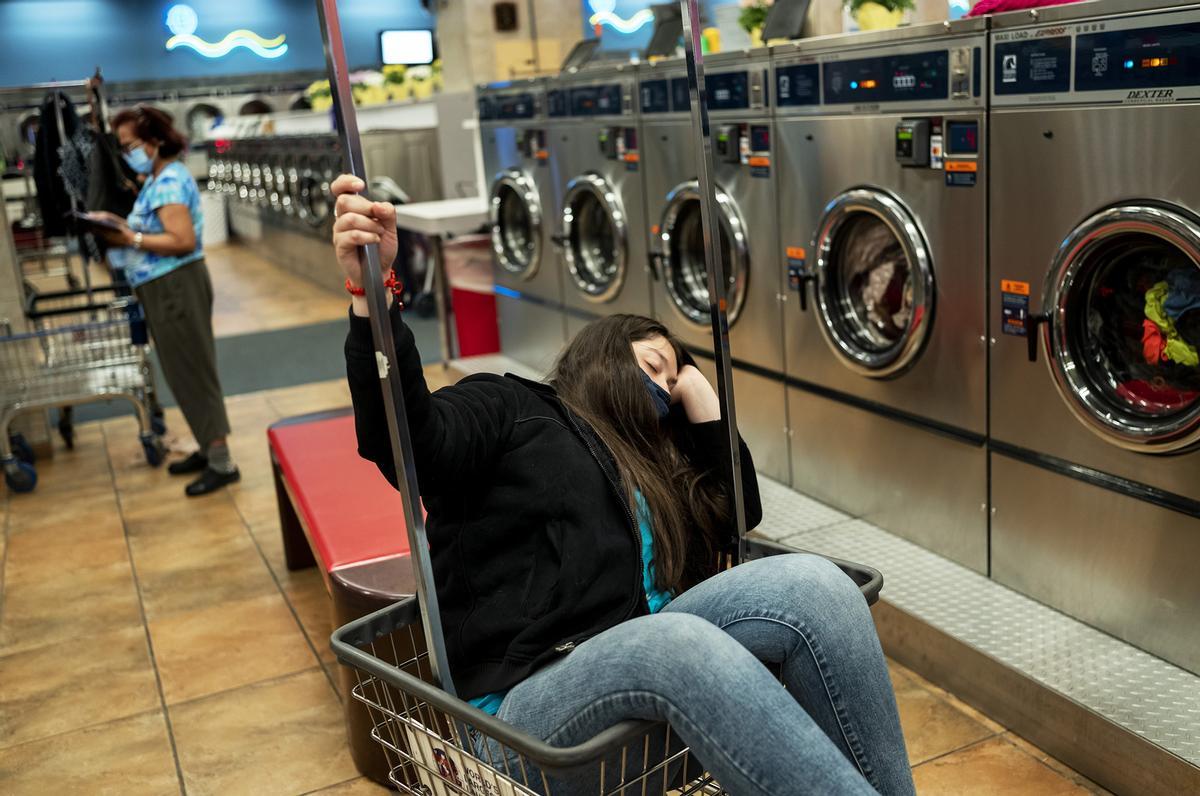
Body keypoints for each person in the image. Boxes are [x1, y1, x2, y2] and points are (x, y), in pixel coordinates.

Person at [332, 175, 914, 796]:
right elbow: (408, 441)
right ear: (602, 355)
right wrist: (374, 298)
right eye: (654, 368)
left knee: (817, 584)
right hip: (529, 719)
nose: (665, 389)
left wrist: (700, 396)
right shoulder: (511, 407)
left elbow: (738, 511)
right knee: (678, 640)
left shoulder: (658, 472)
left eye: (672, 386)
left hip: (653, 690)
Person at [91, 105, 238, 496]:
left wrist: (129, 238)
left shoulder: (170, 179)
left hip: (176, 285)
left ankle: (222, 463)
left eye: (130, 144)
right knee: (180, 371)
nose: (126, 153)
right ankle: (208, 450)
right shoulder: (156, 179)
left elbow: (182, 241)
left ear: (154, 140)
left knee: (194, 372)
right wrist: (118, 224)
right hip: (163, 286)